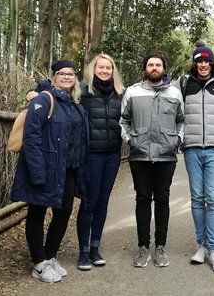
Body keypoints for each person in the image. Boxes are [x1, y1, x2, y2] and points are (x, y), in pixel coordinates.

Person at [11, 60, 90, 283]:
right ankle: (38, 264)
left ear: (75, 78)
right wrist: (36, 171)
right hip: (46, 168)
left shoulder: (75, 105)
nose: (66, 77)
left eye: (71, 74)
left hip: (69, 170)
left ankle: (50, 256)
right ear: (54, 77)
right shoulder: (45, 100)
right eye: (61, 74)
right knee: (37, 213)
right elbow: (32, 136)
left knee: (64, 212)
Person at [119, 53, 184, 268]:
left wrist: (177, 140)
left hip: (166, 156)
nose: (154, 67)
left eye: (158, 64)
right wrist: (131, 140)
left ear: (164, 68)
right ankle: (143, 247)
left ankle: (160, 247)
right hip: (140, 155)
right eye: (150, 64)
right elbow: (123, 120)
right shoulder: (132, 91)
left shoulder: (175, 93)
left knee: (163, 199)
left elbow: (181, 120)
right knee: (143, 199)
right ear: (145, 68)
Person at [174, 41, 214, 272]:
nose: (203, 64)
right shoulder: (184, 83)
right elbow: (175, 111)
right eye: (199, 61)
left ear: (212, 62)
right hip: (192, 147)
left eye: (207, 60)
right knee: (197, 198)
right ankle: (202, 246)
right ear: (194, 63)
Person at [75, 54, 124, 271]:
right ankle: (83, 251)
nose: (105, 71)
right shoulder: (83, 92)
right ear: (93, 69)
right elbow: (57, 86)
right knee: (89, 202)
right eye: (101, 67)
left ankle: (95, 247)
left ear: (113, 71)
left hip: (113, 155)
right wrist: (37, 90)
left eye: (109, 68)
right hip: (91, 155)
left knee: (103, 202)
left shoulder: (121, 94)